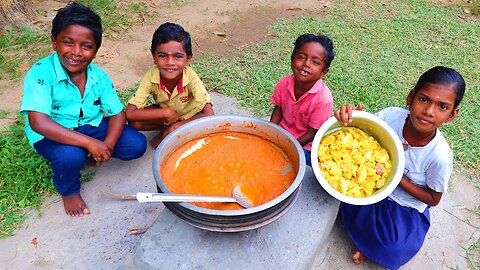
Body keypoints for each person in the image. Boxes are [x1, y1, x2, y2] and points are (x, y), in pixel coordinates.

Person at [20, 3, 147, 217]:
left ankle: (88, 152)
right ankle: (68, 190)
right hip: (52, 132)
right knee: (70, 157)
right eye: (68, 43)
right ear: (54, 42)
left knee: (136, 145)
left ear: (96, 51)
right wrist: (89, 142)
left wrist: (107, 145)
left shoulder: (98, 76)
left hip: (90, 124)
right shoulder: (40, 73)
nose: (76, 52)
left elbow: (117, 113)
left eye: (86, 46)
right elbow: (39, 123)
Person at [334, 66, 465, 269]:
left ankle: (366, 242)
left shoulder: (440, 156)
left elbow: (433, 199)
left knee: (394, 246)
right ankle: (365, 240)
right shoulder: (390, 116)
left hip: (403, 206)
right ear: (410, 98)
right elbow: (360, 136)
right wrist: (351, 118)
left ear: (452, 115)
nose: (429, 111)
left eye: (442, 107)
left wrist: (395, 176)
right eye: (424, 99)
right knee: (334, 183)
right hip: (373, 186)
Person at [126, 22, 214, 149]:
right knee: (135, 123)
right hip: (166, 115)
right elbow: (130, 113)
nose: (170, 63)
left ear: (188, 59)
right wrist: (166, 112)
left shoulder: (191, 77)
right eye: (162, 56)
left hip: (192, 115)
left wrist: (175, 127)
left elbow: (209, 114)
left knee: (203, 129)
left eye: (178, 56)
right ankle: (170, 126)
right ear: (154, 57)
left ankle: (172, 129)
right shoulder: (151, 76)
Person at [270, 33, 335, 167]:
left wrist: (289, 147)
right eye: (301, 57)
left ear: (323, 72)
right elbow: (278, 109)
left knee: (293, 167)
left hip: (305, 145)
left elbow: (312, 133)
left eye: (315, 62)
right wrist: (272, 133)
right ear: (292, 60)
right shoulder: (284, 83)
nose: (306, 64)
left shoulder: (323, 99)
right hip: (283, 133)